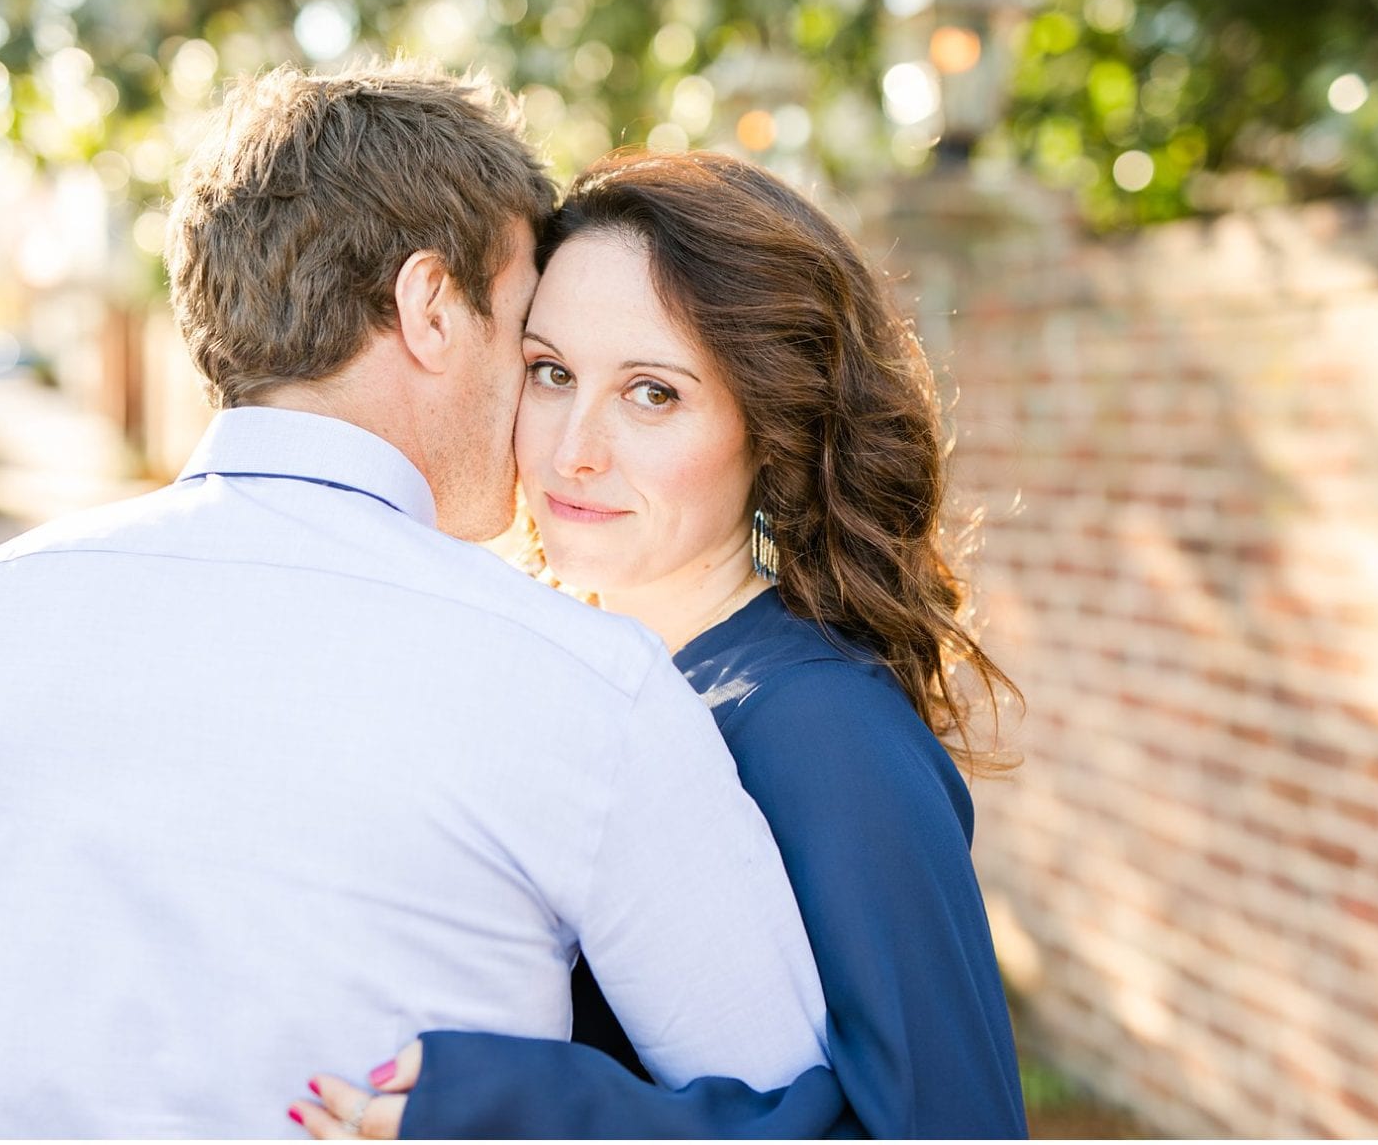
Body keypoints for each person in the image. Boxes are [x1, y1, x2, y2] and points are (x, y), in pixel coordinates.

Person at [0, 66, 832, 1139]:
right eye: (523, 330)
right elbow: (793, 1096)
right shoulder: (587, 687)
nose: (539, 404)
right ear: (429, 308)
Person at [292, 151, 1029, 1139]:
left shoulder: (827, 730)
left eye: (653, 394)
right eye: (551, 373)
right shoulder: (584, 688)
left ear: (770, 426)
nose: (573, 449)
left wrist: (526, 1116)